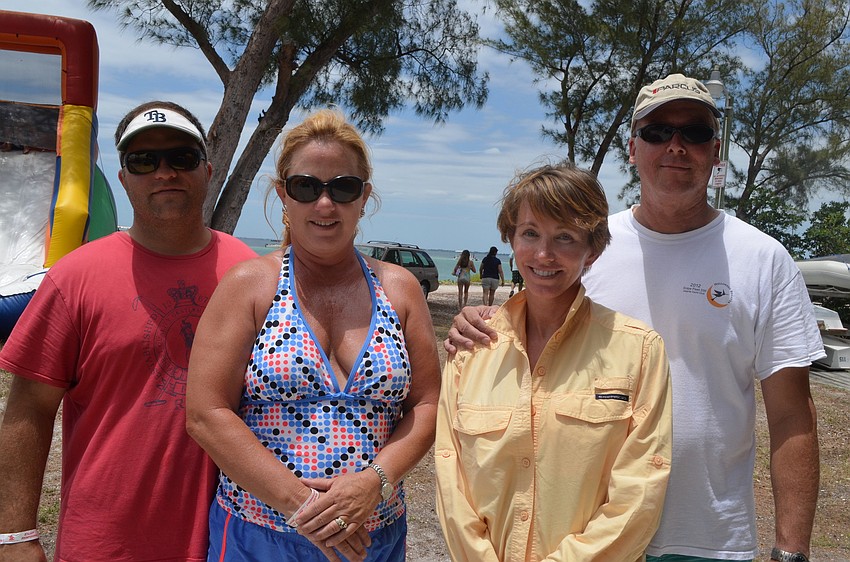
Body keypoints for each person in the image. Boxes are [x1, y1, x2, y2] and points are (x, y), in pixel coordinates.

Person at [446, 73, 823, 562]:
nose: (676, 146)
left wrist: (791, 550)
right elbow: (533, 344)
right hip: (585, 532)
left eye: (695, 132)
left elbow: (793, 415)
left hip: (707, 534)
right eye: (657, 131)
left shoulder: (764, 259)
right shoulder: (586, 246)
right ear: (632, 147)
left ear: (716, 149)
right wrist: (478, 323)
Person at [0, 101, 257, 561]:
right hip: (107, 544)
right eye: (143, 160)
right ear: (123, 178)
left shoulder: (252, 273)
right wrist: (14, 536)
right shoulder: (75, 277)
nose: (165, 172)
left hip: (231, 541)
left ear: (207, 169)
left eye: (182, 157)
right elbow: (28, 411)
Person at [185, 109, 441, 562]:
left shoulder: (399, 289)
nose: (325, 204)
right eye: (307, 187)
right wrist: (305, 507)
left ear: (364, 197)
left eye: (343, 187)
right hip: (259, 535)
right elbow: (207, 413)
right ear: (284, 194)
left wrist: (373, 482)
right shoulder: (249, 285)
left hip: (372, 540)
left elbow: (425, 404)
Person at [435, 162, 672, 560]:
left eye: (565, 237)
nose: (544, 254)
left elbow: (641, 488)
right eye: (530, 233)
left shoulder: (640, 350)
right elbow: (450, 476)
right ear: (511, 237)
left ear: (592, 250)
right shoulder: (472, 351)